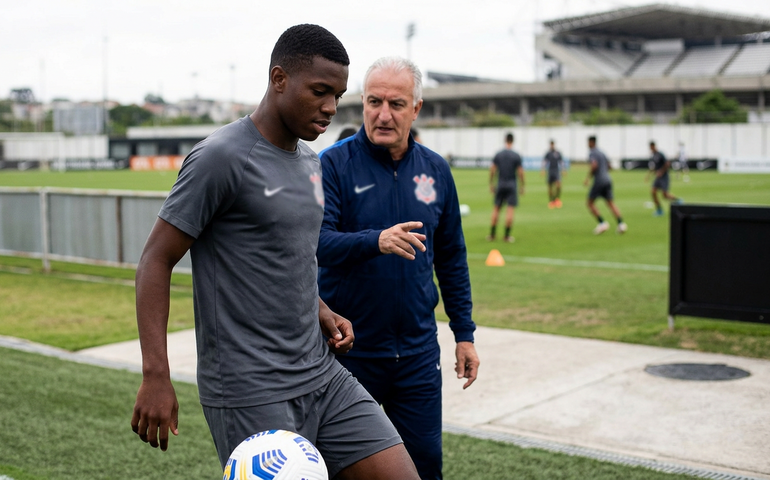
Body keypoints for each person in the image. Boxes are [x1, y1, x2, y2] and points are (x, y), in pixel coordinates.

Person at [130, 25, 420, 480]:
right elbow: (155, 260)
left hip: (322, 374)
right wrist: (155, 374)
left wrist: (321, 310)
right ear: (279, 79)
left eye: (338, 96)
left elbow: (288, 256)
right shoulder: (221, 157)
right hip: (251, 388)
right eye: (320, 91)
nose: (330, 108)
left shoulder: (309, 161)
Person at [316, 56, 480, 480]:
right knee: (346, 470)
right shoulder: (332, 164)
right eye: (374, 102)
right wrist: (376, 240)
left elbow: (452, 256)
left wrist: (464, 335)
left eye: (396, 103)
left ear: (416, 109)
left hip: (417, 356)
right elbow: (315, 244)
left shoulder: (436, 170)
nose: (383, 114)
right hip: (349, 354)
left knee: (424, 467)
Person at [583, 135, 627, 235]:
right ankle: (621, 224)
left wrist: (588, 178)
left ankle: (602, 223)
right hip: (608, 179)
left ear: (591, 142)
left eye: (588, 142)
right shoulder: (602, 152)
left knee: (590, 203)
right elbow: (609, 166)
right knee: (610, 203)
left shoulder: (592, 152)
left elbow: (594, 165)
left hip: (599, 180)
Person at [488, 132, 525, 243]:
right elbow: (520, 172)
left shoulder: (499, 154)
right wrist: (522, 185)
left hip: (500, 183)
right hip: (512, 184)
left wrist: (491, 183)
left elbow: (493, 169)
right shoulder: (516, 155)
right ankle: (507, 236)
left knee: (496, 209)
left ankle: (492, 235)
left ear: (505, 140)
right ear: (512, 141)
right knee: (510, 210)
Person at [646, 141, 682, 216]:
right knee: (653, 192)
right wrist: (649, 175)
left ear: (654, 146)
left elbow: (667, 163)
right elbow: (654, 167)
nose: (651, 149)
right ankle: (659, 210)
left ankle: (678, 200)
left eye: (651, 147)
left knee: (665, 195)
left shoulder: (660, 154)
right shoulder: (653, 156)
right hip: (658, 177)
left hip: (664, 177)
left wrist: (661, 172)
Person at [541, 139, 564, 208]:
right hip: (550, 171)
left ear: (554, 145)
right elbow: (545, 161)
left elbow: (561, 161)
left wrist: (563, 169)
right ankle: (551, 200)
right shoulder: (548, 153)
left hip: (556, 170)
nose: (551, 146)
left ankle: (556, 199)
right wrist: (543, 169)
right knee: (550, 187)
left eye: (552, 144)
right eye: (551, 144)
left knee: (558, 185)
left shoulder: (557, 153)